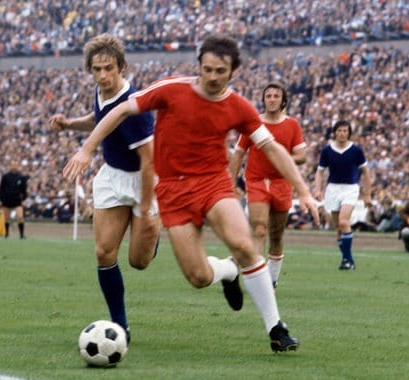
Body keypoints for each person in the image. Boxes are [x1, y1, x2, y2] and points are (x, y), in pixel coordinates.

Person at [63, 34, 319, 353]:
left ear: (233, 71)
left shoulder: (239, 106)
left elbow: (273, 148)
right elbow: (118, 111)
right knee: (198, 276)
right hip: (173, 191)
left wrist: (305, 191)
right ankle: (226, 271)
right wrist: (87, 148)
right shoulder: (171, 89)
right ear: (199, 66)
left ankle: (276, 328)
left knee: (245, 243)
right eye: (207, 69)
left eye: (220, 71)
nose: (212, 77)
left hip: (213, 184)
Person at [50, 34, 160, 340]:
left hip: (142, 181)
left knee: (139, 262)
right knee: (103, 252)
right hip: (112, 176)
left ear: (122, 67)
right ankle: (120, 327)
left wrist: (148, 208)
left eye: (108, 68)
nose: (102, 75)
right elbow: (99, 119)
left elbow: (150, 162)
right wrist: (70, 123)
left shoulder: (135, 107)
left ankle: (153, 232)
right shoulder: (101, 93)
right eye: (96, 69)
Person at [229, 81, 307, 289]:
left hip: (282, 183)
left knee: (276, 235)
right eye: (268, 96)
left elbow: (302, 156)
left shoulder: (292, 125)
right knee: (259, 229)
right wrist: (229, 183)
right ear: (263, 100)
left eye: (276, 96)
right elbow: (238, 154)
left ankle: (272, 279)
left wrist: (281, 155)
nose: (271, 99)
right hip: (256, 181)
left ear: (283, 101)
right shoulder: (253, 123)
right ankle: (257, 279)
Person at [313, 120, 373, 270]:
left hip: (350, 188)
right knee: (338, 228)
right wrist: (317, 189)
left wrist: (367, 194)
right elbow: (320, 171)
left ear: (349, 133)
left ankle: (347, 259)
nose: (342, 133)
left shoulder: (356, 150)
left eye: (345, 131)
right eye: (339, 131)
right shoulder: (327, 150)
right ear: (335, 132)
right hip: (333, 189)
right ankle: (347, 259)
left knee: (344, 222)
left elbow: (366, 172)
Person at [0, 160, 29, 239]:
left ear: (18, 166)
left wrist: (23, 199)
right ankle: (7, 234)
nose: (14, 166)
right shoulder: (5, 177)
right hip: (7, 200)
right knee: (6, 218)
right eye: (12, 164)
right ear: (10, 166)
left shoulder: (21, 177)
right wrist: (1, 200)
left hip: (17, 200)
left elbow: (24, 190)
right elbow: (1, 189)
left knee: (20, 217)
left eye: (16, 164)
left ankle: (21, 235)